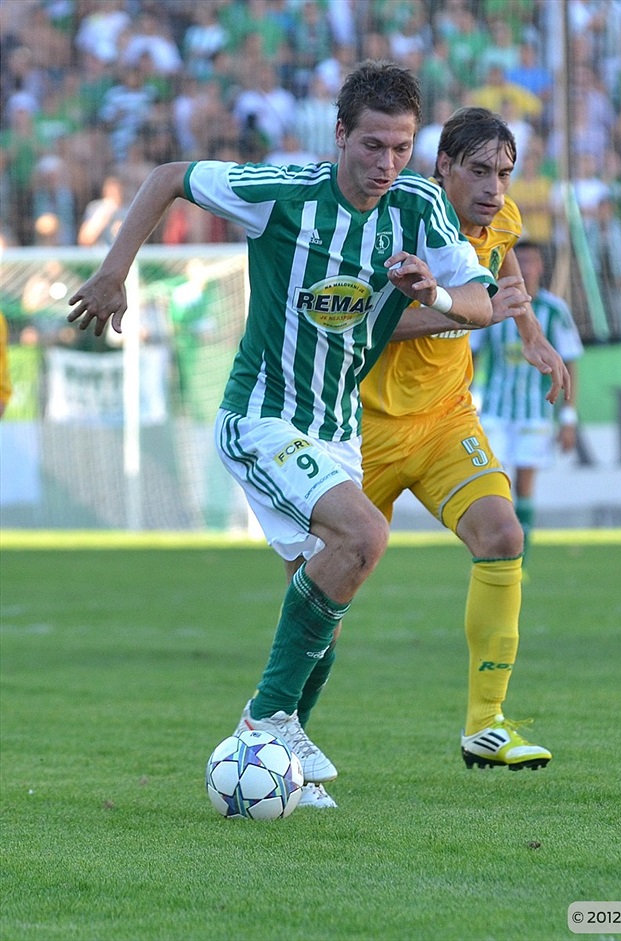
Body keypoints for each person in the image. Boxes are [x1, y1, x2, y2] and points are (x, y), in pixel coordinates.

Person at [67, 62, 522, 810]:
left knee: (325, 598)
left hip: (337, 431)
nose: (386, 165)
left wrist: (432, 291)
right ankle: (265, 721)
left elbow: (478, 302)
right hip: (261, 419)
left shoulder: (416, 208)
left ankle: (285, 766)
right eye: (372, 145)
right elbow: (169, 176)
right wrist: (115, 272)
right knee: (365, 538)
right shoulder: (283, 196)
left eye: (401, 148)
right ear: (339, 135)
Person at [360, 107, 570, 777]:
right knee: (326, 592)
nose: (494, 189)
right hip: (360, 426)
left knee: (503, 534)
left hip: (447, 419)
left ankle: (486, 724)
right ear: (441, 165)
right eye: (480, 171)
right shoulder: (392, 220)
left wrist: (531, 334)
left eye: (505, 174)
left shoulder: (499, 221)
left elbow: (506, 275)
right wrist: (454, 310)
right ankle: (278, 728)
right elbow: (361, 326)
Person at [470, 240, 584, 563]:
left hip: (536, 411)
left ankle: (522, 557)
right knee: (496, 482)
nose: (527, 268)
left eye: (532, 261)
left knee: (525, 483)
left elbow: (570, 359)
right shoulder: (493, 304)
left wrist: (568, 417)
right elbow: (474, 353)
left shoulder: (553, 310)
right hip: (495, 409)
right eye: (520, 261)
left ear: (540, 267)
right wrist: (469, 396)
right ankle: (499, 547)